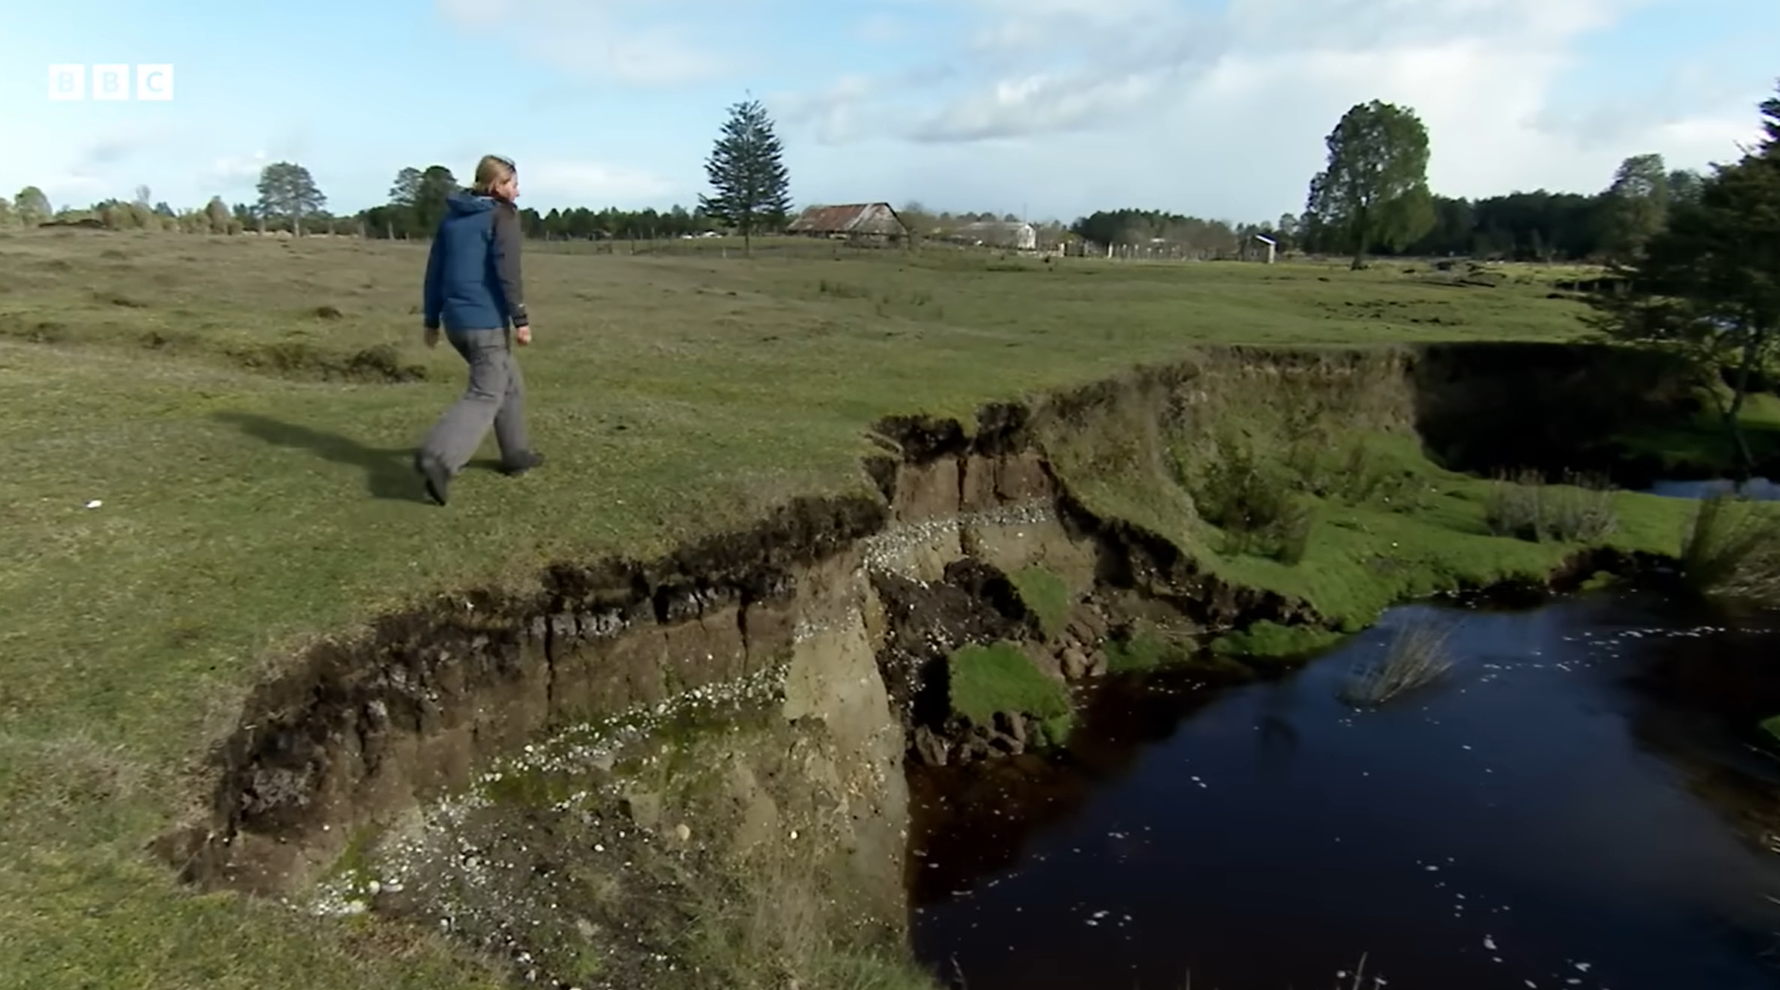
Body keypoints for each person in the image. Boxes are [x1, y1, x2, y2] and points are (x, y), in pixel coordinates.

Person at [413, 153, 544, 506]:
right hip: (484, 322)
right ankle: (438, 457)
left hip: (456, 322)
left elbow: (434, 273)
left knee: (509, 382)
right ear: (495, 186)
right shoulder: (501, 216)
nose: (518, 191)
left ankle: (516, 455)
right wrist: (521, 319)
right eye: (513, 184)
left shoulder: (452, 219)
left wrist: (431, 321)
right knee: (485, 393)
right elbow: (507, 270)